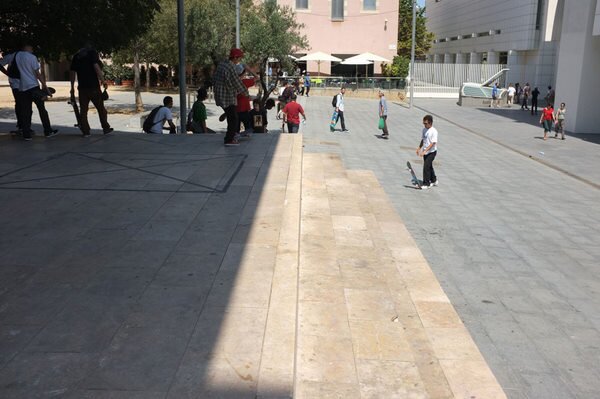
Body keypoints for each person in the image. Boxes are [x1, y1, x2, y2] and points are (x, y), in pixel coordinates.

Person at [9, 43, 58, 140]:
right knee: (41, 109)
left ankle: (26, 134)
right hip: (33, 86)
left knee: (26, 110)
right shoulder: (32, 57)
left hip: (22, 87)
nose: (32, 50)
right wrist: (46, 88)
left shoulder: (17, 56)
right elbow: (37, 74)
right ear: (28, 47)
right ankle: (48, 130)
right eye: (31, 48)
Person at [70, 42, 113, 137]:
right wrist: (103, 80)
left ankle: (86, 131)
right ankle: (106, 128)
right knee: (101, 109)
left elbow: (72, 73)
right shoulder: (92, 53)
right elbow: (97, 68)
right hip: (93, 87)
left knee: (83, 111)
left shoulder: (76, 56)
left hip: (82, 88)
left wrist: (72, 87)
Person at [213, 48, 249, 146]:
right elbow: (236, 82)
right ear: (235, 57)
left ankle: (231, 136)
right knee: (233, 118)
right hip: (227, 96)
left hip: (220, 94)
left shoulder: (221, 65)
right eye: (239, 58)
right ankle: (229, 139)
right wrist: (246, 93)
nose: (239, 61)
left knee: (231, 116)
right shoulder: (230, 67)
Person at [0, 52, 23, 134]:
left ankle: (22, 125)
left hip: (15, 83)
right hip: (21, 83)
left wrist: (7, 73)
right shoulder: (25, 55)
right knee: (23, 104)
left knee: (19, 103)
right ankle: (23, 126)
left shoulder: (10, 56)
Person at [416, 114, 438, 190]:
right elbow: (423, 139)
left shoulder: (434, 131)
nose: (424, 125)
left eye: (426, 123)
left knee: (426, 167)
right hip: (425, 152)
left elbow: (433, 143)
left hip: (432, 152)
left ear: (430, 123)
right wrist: (419, 148)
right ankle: (434, 180)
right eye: (423, 123)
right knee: (429, 166)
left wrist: (425, 151)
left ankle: (426, 183)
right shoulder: (424, 130)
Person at [236, 64, 256, 137]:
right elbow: (257, 78)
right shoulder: (244, 82)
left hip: (235, 108)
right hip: (244, 108)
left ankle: (235, 137)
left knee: (235, 128)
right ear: (243, 73)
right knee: (248, 127)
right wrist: (249, 69)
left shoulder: (232, 82)